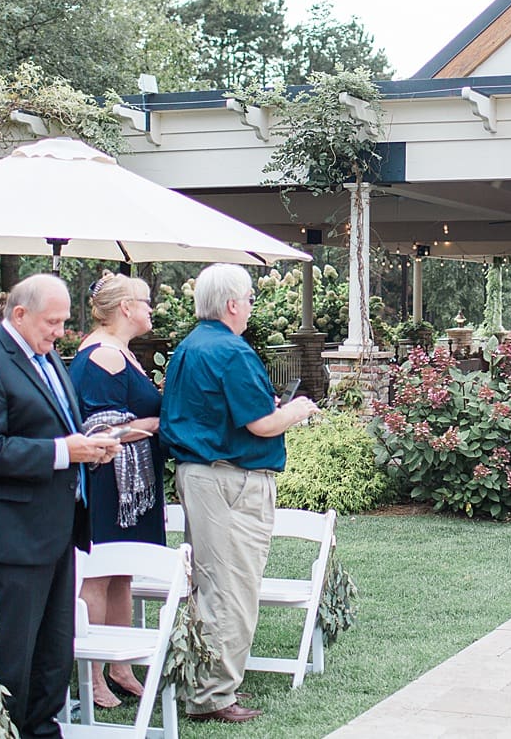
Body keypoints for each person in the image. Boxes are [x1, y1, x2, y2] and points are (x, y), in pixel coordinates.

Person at [0, 274, 119, 738]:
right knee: (13, 659)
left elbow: (60, 426)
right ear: (19, 314)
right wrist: (66, 452)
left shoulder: (47, 358)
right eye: (53, 321)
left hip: (55, 529)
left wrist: (92, 445)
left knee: (52, 656)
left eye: (65, 321)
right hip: (11, 535)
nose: (61, 331)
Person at [161, 264, 318, 724]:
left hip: (198, 474)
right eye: (249, 298)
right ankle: (213, 695)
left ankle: (200, 680)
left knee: (208, 584)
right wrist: (299, 409)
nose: (252, 305)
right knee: (231, 588)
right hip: (232, 479)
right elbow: (262, 424)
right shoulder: (232, 350)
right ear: (232, 303)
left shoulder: (189, 347)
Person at [68, 272, 165, 708]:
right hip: (111, 478)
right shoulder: (103, 355)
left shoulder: (121, 352)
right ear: (125, 308)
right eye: (145, 302)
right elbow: (99, 427)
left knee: (124, 571)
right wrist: (152, 425)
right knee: (101, 571)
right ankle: (93, 672)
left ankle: (121, 667)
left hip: (134, 481)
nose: (151, 309)